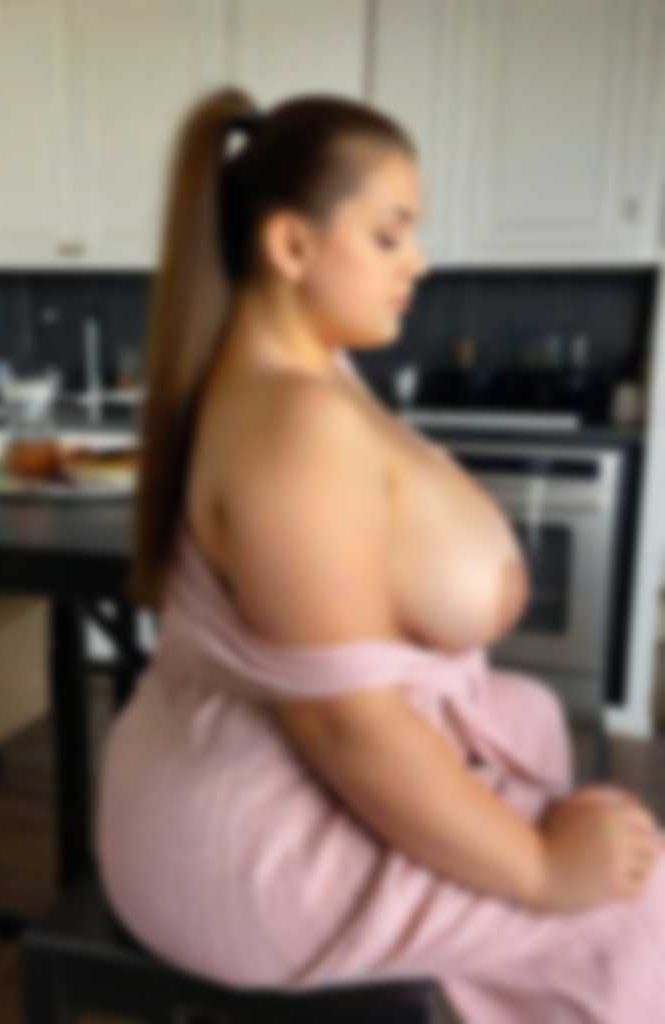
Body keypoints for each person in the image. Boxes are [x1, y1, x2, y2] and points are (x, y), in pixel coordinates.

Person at [95, 86, 665, 1023]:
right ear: (291, 246)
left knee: (533, 722)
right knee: (634, 912)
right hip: (246, 843)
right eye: (390, 234)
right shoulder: (292, 424)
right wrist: (539, 869)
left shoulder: (313, 368)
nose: (418, 261)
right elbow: (341, 726)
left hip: (263, 770)